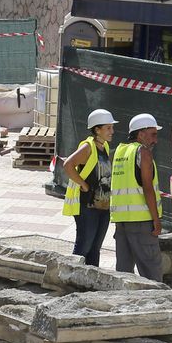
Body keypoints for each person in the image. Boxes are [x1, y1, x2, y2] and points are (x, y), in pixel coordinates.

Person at [110, 113, 164, 281]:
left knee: (123, 273)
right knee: (151, 272)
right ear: (141, 134)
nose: (156, 140)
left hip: (122, 222)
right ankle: (154, 305)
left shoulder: (120, 152)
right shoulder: (144, 153)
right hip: (141, 223)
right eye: (153, 134)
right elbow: (148, 188)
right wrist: (156, 220)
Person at [60, 108, 117, 266]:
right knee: (83, 247)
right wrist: (84, 185)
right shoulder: (88, 147)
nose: (112, 131)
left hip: (103, 206)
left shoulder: (104, 147)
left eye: (112, 127)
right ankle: (71, 278)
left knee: (94, 249)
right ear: (97, 130)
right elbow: (68, 165)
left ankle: (90, 286)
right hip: (88, 206)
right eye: (108, 128)